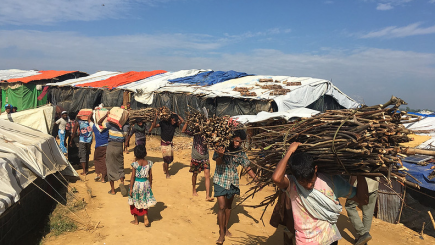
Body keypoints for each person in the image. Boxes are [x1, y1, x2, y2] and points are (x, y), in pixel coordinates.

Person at [272, 142, 369, 245]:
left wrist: (360, 173)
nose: (308, 185)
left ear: (315, 169)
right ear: (295, 177)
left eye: (311, 179)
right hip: (305, 242)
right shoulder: (292, 184)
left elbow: (363, 200)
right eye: (302, 182)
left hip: (329, 240)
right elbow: (276, 178)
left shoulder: (331, 181)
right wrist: (289, 152)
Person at [213, 130, 257, 245]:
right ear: (232, 138)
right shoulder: (221, 146)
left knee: (228, 206)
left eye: (240, 142)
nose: (237, 144)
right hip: (220, 179)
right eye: (236, 141)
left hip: (232, 181)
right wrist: (221, 155)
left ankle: (226, 227)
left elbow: (246, 166)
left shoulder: (241, 152)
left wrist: (256, 179)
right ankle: (221, 234)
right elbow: (217, 163)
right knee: (221, 206)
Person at [181, 118, 213, 201]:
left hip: (205, 158)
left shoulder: (208, 134)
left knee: (207, 176)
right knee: (195, 174)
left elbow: (213, 138)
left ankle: (207, 195)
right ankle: (194, 189)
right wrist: (187, 122)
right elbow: (183, 131)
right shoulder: (195, 133)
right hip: (196, 158)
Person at [98, 111, 129, 196]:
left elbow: (99, 123)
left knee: (110, 167)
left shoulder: (110, 125)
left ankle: (112, 190)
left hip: (111, 147)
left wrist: (106, 115)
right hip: (119, 147)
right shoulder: (126, 126)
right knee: (120, 166)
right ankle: (122, 182)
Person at [149, 112, 184, 179]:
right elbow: (154, 126)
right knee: (167, 159)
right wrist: (156, 117)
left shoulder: (174, 125)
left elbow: (182, 121)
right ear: (171, 119)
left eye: (176, 121)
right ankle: (167, 173)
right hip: (164, 143)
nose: (175, 122)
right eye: (174, 120)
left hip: (170, 143)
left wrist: (177, 114)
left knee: (170, 159)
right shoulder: (163, 123)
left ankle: (164, 165)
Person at [128, 145, 156, 227]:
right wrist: (150, 184)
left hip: (137, 184)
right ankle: (145, 215)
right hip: (145, 183)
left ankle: (136, 220)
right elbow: (150, 175)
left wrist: (130, 188)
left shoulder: (135, 164)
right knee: (144, 200)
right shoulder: (149, 163)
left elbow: (133, 176)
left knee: (134, 200)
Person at [345, 177, 379, 245]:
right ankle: (364, 241)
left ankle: (363, 233)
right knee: (368, 212)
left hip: (359, 187)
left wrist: (350, 186)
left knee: (350, 206)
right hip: (373, 186)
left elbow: (355, 173)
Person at [91, 119, 109, 183]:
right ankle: (103, 178)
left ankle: (98, 173)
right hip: (106, 146)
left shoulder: (94, 127)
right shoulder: (107, 127)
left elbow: (88, 119)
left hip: (98, 146)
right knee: (104, 161)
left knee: (97, 160)